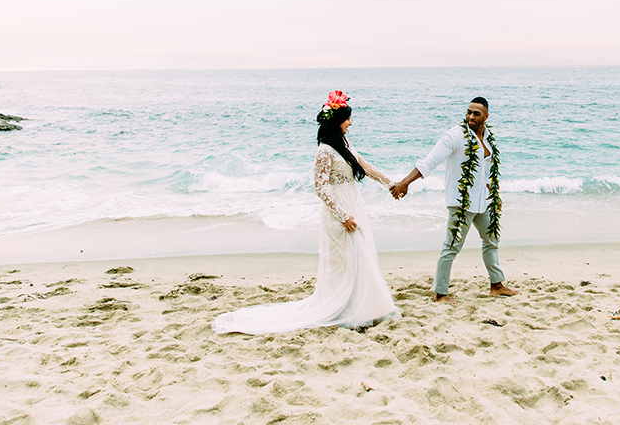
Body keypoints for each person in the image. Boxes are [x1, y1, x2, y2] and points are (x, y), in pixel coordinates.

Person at [212, 90, 400, 334]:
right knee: (346, 260)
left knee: (360, 256)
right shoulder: (324, 151)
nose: (351, 123)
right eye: (347, 119)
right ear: (336, 121)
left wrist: (392, 185)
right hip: (339, 212)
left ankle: (360, 306)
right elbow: (321, 188)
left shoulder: (344, 144)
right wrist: (343, 216)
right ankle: (345, 309)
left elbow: (365, 166)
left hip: (353, 203)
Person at [390, 97, 518, 304]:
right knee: (451, 246)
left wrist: (495, 196)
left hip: (484, 201)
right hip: (462, 202)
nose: (471, 117)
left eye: (476, 114)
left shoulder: (487, 137)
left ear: (486, 116)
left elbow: (486, 171)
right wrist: (405, 182)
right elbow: (430, 161)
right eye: (469, 112)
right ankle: (441, 294)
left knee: (491, 240)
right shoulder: (454, 136)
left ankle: (497, 285)